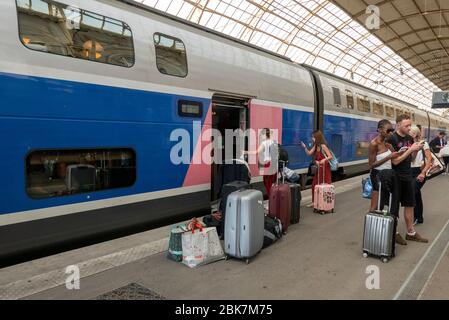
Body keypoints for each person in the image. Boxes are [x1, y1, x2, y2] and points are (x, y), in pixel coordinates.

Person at [386, 114, 428, 244]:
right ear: (398, 124)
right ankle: (394, 233)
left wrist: (416, 149)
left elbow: (412, 159)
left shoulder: (410, 138)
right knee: (395, 207)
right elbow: (395, 161)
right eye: (406, 125)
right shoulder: (392, 139)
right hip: (396, 177)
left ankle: (411, 232)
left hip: (408, 175)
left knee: (410, 204)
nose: (409, 128)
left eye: (410, 125)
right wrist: (410, 150)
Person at [368, 119, 401, 212]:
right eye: (388, 130)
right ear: (379, 130)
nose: (391, 133)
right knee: (375, 206)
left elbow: (395, 160)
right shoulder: (374, 144)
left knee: (385, 205)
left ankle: (382, 225)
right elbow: (371, 165)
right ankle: (371, 225)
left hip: (388, 176)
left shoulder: (388, 145)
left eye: (392, 130)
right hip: (377, 176)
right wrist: (389, 157)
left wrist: (403, 152)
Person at [301, 130, 333, 208]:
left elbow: (330, 156)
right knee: (314, 185)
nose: (312, 139)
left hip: (325, 169)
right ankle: (314, 202)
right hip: (319, 169)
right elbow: (309, 153)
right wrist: (305, 147)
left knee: (325, 185)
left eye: (313, 137)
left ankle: (324, 203)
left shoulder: (323, 146)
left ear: (317, 138)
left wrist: (323, 160)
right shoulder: (316, 146)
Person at [409, 126, 432, 225]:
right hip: (409, 172)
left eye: (409, 132)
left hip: (420, 171)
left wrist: (423, 173)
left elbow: (429, 159)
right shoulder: (408, 144)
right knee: (416, 194)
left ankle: (414, 217)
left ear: (415, 134)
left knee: (412, 193)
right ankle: (419, 217)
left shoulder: (423, 143)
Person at [245, 128, 278, 196]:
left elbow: (256, 152)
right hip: (275, 164)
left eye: (261, 135)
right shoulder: (274, 142)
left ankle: (271, 199)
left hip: (268, 164)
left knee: (267, 183)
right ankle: (274, 200)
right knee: (272, 183)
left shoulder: (264, 143)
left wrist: (245, 152)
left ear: (265, 135)